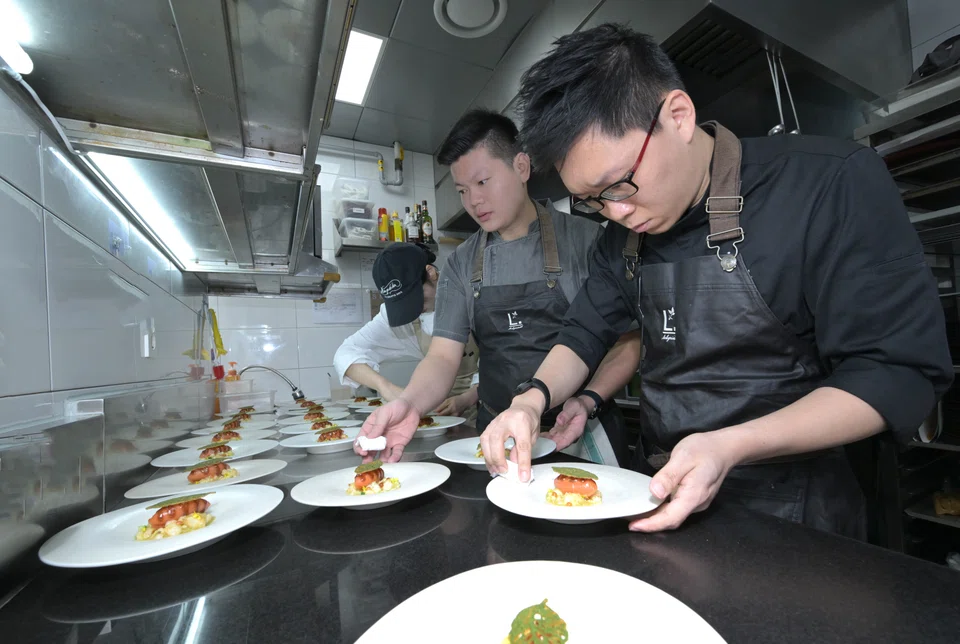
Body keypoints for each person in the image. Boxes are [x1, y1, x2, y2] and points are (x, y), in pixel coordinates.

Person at [480, 23, 953, 538]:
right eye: (593, 201)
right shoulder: (622, 237)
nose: (615, 211)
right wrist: (530, 401)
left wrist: (730, 445)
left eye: (618, 184)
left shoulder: (828, 184)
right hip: (659, 499)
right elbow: (584, 332)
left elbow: (895, 372)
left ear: (678, 116)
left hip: (799, 520)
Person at [356, 110, 643, 465]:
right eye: (462, 190)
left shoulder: (586, 241)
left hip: (578, 430)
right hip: (497, 438)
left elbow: (628, 341)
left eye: (482, 182)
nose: (473, 201)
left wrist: (588, 399)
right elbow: (443, 357)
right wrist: (408, 404)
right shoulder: (462, 263)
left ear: (521, 167)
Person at [333, 242, 480, 421]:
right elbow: (345, 353)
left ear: (431, 273)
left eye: (415, 298)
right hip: (440, 416)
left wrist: (469, 397)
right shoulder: (403, 317)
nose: (414, 309)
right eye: (405, 303)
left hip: (490, 406)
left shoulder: (473, 294)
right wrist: (385, 387)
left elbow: (501, 360)